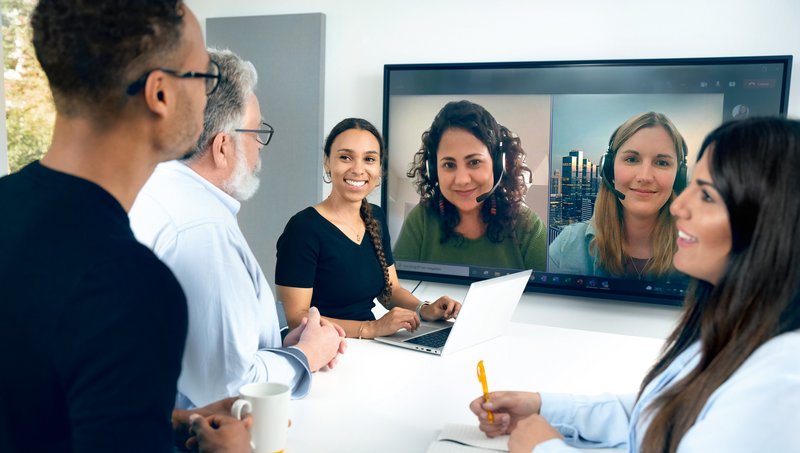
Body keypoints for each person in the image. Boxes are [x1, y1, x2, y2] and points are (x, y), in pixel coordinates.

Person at [0, 1, 249, 452]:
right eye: (204, 77)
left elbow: (32, 405)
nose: (208, 94)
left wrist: (154, 418)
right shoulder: (132, 288)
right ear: (160, 94)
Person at [470, 116, 800, 453]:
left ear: (772, 221)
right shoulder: (737, 327)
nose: (679, 205)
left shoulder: (781, 382)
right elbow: (663, 411)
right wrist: (543, 407)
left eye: (707, 196)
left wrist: (540, 449)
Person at [129, 48, 346, 410]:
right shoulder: (202, 231)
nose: (260, 146)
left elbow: (202, 349)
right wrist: (306, 355)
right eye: (256, 131)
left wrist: (280, 347)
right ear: (222, 147)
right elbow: (229, 389)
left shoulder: (152, 192)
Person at [275, 118, 461, 339]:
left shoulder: (376, 217)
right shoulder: (303, 229)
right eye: (345, 157)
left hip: (370, 347)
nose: (358, 169)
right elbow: (297, 318)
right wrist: (370, 328)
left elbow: (389, 291)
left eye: (369, 159)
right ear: (327, 162)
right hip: (323, 349)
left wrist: (425, 309)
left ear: (379, 168)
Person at [394, 100, 547, 271]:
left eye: (474, 162)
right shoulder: (421, 219)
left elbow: (548, 296)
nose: (462, 180)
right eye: (449, 165)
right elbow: (397, 289)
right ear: (433, 170)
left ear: (498, 165)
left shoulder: (529, 227)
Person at [548, 112, 687, 280]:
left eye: (662, 163)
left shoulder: (703, 254)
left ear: (679, 177)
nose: (645, 177)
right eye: (631, 159)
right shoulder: (567, 246)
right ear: (609, 169)